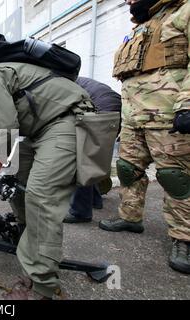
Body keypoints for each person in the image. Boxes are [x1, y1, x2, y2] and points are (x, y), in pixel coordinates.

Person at [0, 62, 92, 299]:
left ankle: (42, 287)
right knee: (15, 183)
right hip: (39, 129)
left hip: (65, 121)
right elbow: (1, 125)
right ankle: (32, 262)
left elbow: (4, 125)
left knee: (40, 197)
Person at [99, 0, 190, 275]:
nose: (127, 0)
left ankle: (184, 238)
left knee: (176, 177)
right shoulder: (143, 25)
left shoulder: (184, 11)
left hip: (168, 116)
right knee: (128, 170)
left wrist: (187, 103)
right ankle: (130, 217)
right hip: (133, 116)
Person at [63, 77, 121, 223]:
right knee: (90, 158)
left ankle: (80, 212)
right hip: (117, 110)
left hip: (102, 111)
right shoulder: (74, 79)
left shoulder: (60, 83)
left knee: (81, 161)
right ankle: (95, 200)